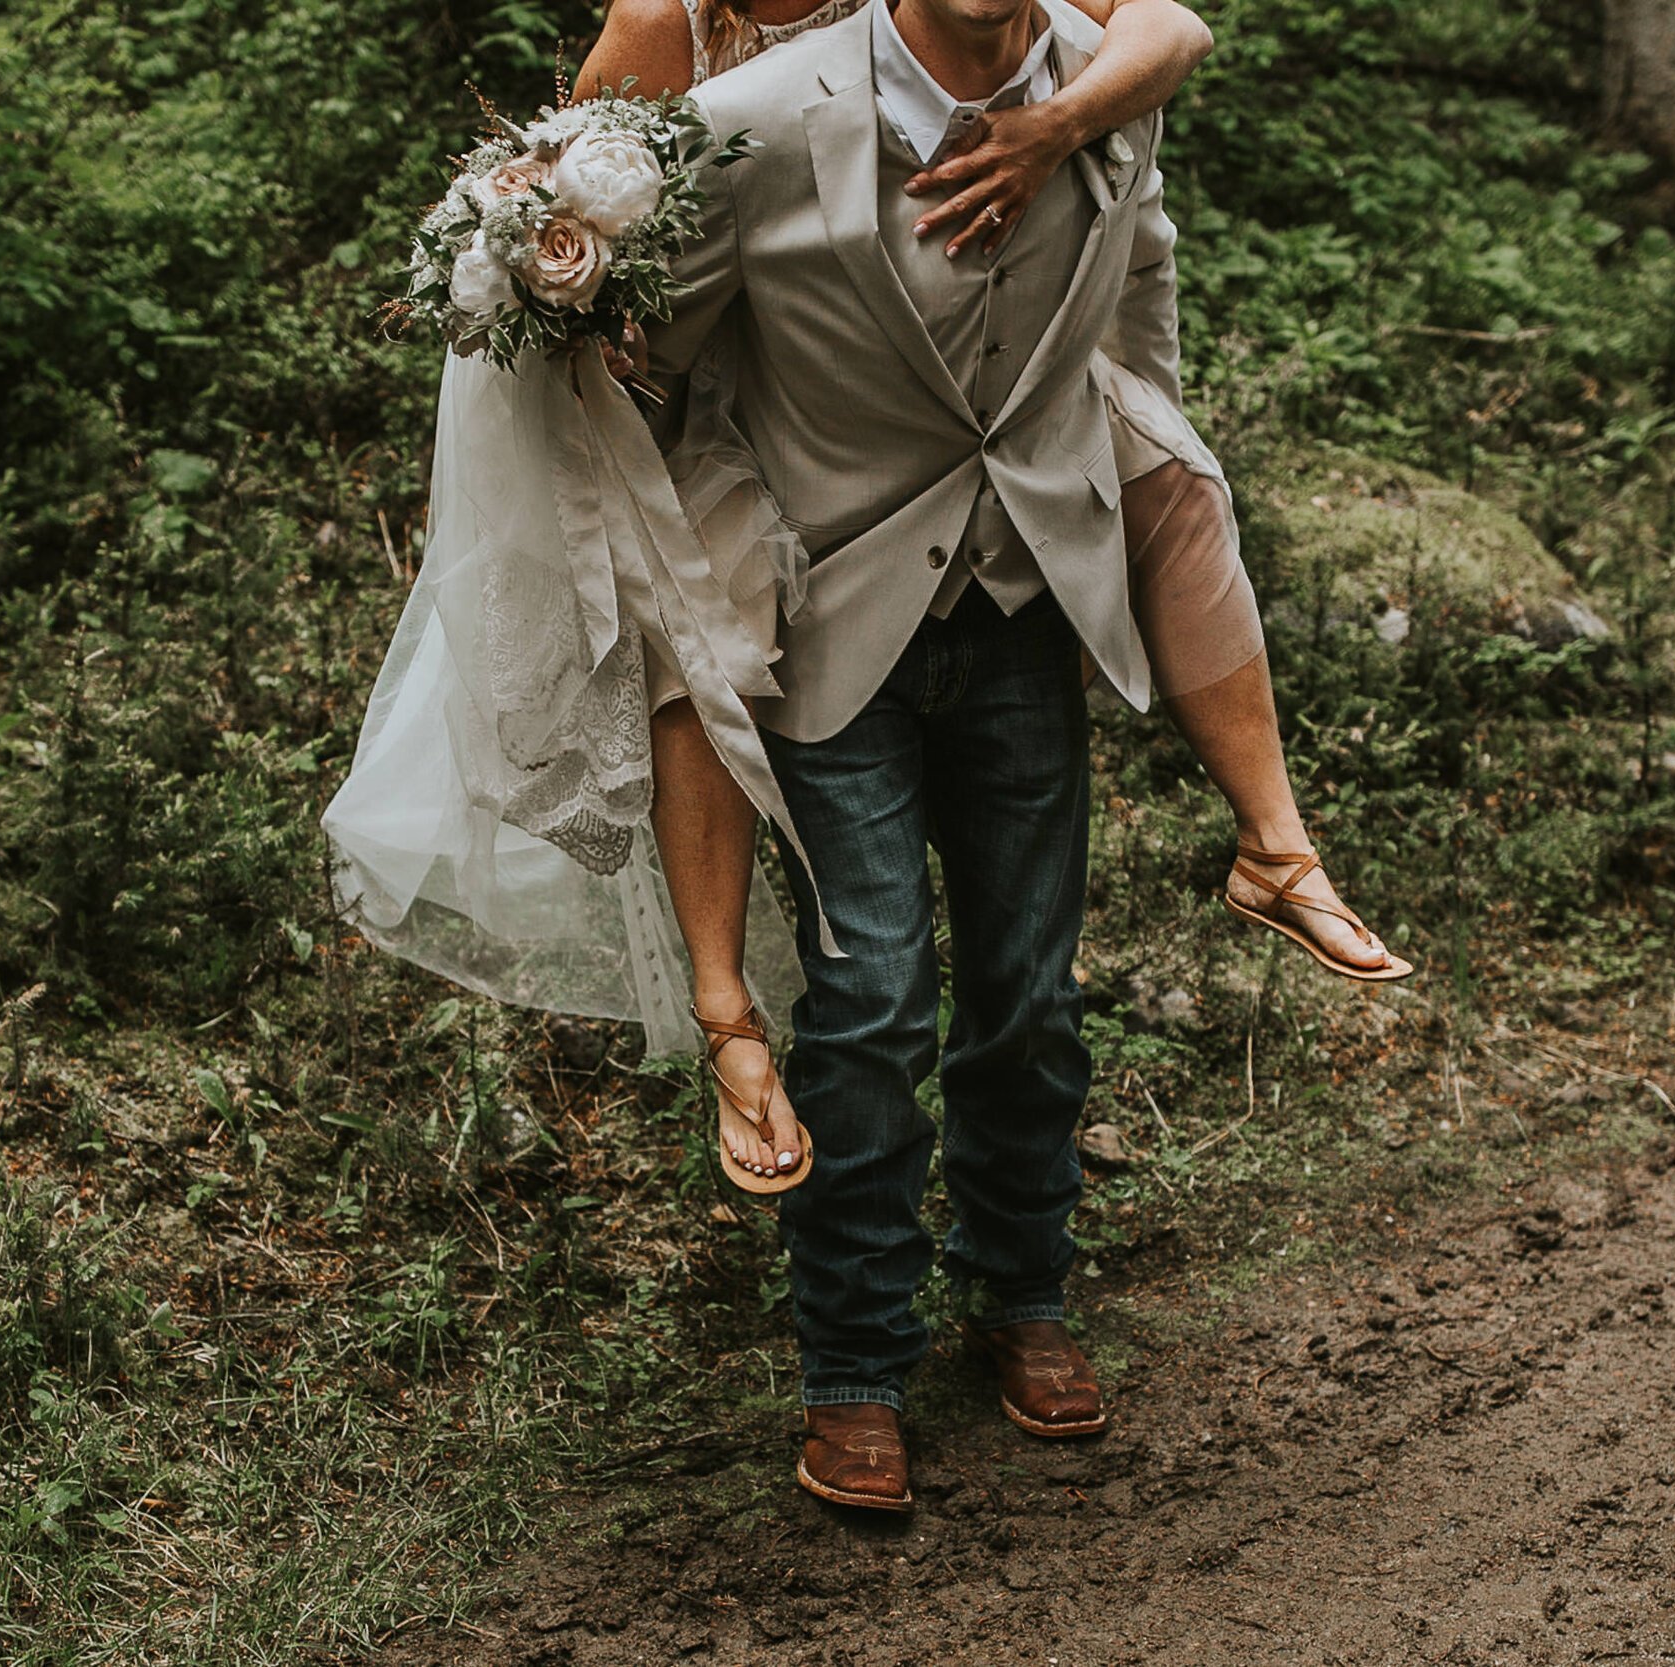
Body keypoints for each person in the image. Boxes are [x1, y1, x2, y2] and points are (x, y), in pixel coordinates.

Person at [577, 0, 1409, 1200]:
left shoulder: (1059, 59)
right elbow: (612, 258)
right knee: (865, 979)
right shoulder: (693, 52)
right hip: (800, 512)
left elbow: (1168, 45)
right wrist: (587, 319)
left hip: (1011, 544)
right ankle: (737, 1035)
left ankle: (1027, 1262)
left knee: (1029, 989)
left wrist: (1057, 128)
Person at [634, 0, 1229, 1512]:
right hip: (831, 626)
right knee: (873, 995)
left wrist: (1139, 504)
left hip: (1027, 604)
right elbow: (655, 365)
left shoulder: (1098, 86)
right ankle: (853, 1361)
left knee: (1030, 987)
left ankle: (1022, 1290)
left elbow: (1138, 299)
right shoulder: (756, 118)